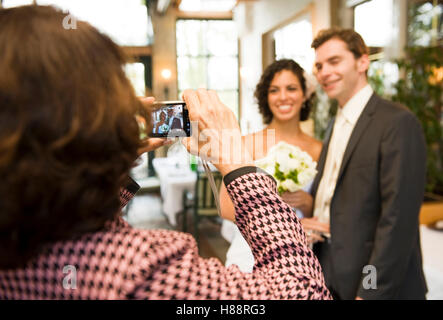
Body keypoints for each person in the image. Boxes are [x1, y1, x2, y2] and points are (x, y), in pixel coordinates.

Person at [0, 5, 331, 300]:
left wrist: (111, 161)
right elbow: (304, 291)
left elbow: (73, 223)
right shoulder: (138, 269)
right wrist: (237, 159)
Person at [309, 27, 427, 300]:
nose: (324, 72)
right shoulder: (332, 124)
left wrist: (370, 291)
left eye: (334, 61)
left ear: (362, 62)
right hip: (330, 275)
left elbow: (397, 221)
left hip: (374, 286)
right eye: (319, 65)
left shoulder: (397, 122)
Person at [219, 59, 328, 272]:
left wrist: (307, 203)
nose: (283, 97)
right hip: (250, 251)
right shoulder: (245, 143)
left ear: (305, 94)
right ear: (266, 97)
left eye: (291, 88)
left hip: (302, 256)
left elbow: (325, 207)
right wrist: (285, 226)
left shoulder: (320, 149)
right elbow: (225, 206)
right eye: (274, 90)